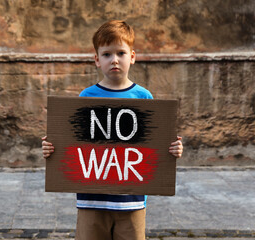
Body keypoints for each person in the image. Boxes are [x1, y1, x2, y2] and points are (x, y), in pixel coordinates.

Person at [42, 20, 183, 240]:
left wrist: (172, 150)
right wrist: (53, 148)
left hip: (132, 202)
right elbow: (72, 145)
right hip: (91, 200)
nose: (114, 60)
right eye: (107, 54)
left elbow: (155, 145)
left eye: (121, 53)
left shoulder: (144, 98)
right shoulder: (86, 98)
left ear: (132, 57)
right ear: (97, 60)